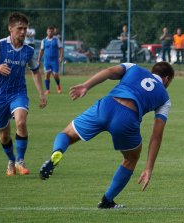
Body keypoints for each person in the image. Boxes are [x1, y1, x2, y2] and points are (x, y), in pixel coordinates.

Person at [39, 62, 174, 209]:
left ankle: (57, 151)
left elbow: (109, 71)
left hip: (106, 105)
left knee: (67, 134)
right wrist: (148, 168)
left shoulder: (133, 67)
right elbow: (156, 136)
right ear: (167, 79)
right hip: (127, 118)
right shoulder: (165, 98)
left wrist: (86, 85)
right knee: (131, 158)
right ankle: (107, 200)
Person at [0, 12, 47, 176]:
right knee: (4, 135)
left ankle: (20, 160)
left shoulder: (29, 50)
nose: (23, 32)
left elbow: (35, 71)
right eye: (19, 28)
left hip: (18, 93)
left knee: (20, 122)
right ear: (10, 28)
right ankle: (11, 160)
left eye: (25, 29)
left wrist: (42, 94)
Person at [38, 26, 63, 94]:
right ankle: (47, 90)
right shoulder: (44, 41)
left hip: (55, 61)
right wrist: (39, 60)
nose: (50, 32)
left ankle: (58, 85)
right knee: (47, 75)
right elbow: (41, 51)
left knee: (55, 75)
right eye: (49, 31)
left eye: (51, 31)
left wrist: (61, 57)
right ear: (47, 32)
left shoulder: (56, 40)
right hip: (47, 60)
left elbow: (61, 48)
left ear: (53, 32)